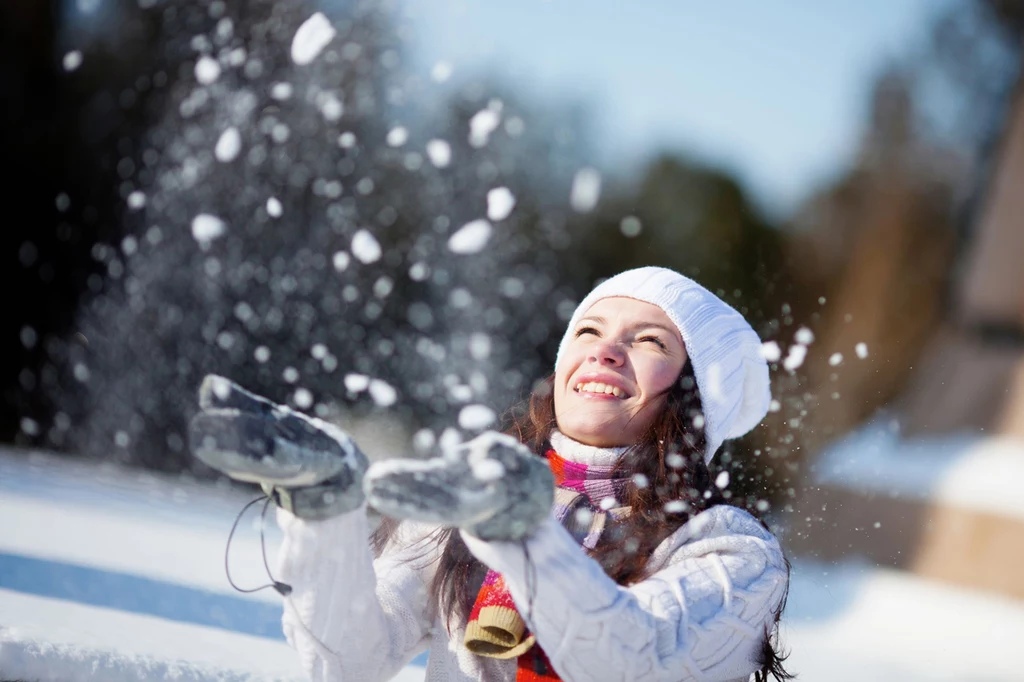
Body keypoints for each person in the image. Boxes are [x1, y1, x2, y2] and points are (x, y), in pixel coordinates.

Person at [190, 266, 791, 682]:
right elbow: (344, 661)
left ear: (694, 398)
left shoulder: (729, 550)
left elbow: (628, 660)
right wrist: (323, 513)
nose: (605, 353)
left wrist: (523, 534)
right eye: (588, 331)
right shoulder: (474, 497)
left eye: (650, 341)